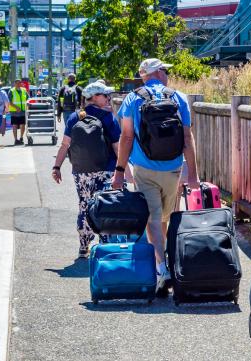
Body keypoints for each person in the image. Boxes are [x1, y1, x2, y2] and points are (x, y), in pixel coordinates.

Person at [111, 58, 199, 290]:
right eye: (165, 71)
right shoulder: (178, 97)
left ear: (143, 76)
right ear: (158, 73)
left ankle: (161, 267)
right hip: (173, 167)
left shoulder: (132, 98)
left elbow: (127, 137)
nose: (167, 74)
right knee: (166, 217)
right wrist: (193, 176)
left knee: (152, 217)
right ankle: (170, 261)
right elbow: (187, 138)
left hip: (144, 168)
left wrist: (120, 172)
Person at [51, 81, 121, 258]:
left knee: (85, 205)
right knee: (104, 205)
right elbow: (116, 147)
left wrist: (56, 166)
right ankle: (105, 245)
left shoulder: (76, 117)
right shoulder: (107, 117)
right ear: (95, 97)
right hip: (106, 169)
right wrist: (123, 170)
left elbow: (65, 144)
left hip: (81, 171)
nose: (108, 98)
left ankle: (84, 246)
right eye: (105, 95)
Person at [7, 79, 28, 145]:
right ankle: (16, 140)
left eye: (20, 83)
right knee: (14, 125)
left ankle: (21, 138)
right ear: (15, 84)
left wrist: (28, 106)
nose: (19, 84)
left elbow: (28, 99)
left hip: (23, 110)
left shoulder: (24, 90)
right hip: (14, 111)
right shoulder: (11, 91)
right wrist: (16, 107)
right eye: (17, 83)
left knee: (23, 125)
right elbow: (9, 101)